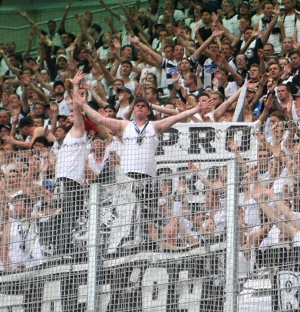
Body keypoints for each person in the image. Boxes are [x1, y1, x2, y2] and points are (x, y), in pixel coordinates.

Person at [78, 93, 212, 249]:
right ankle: (122, 241)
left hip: (147, 177)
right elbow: (99, 119)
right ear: (134, 110)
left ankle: (145, 241)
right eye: (137, 105)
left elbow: (176, 117)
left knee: (147, 212)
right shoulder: (125, 125)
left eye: (143, 106)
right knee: (126, 211)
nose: (140, 107)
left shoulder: (154, 126)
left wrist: (196, 108)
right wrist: (84, 104)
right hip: (127, 177)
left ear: (148, 111)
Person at [51, 71, 89, 255]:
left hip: (71, 182)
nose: (68, 117)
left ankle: (65, 249)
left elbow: (76, 110)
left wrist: (74, 86)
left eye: (71, 116)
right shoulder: (67, 138)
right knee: (64, 214)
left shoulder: (79, 130)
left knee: (70, 215)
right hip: (64, 181)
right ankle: (63, 248)